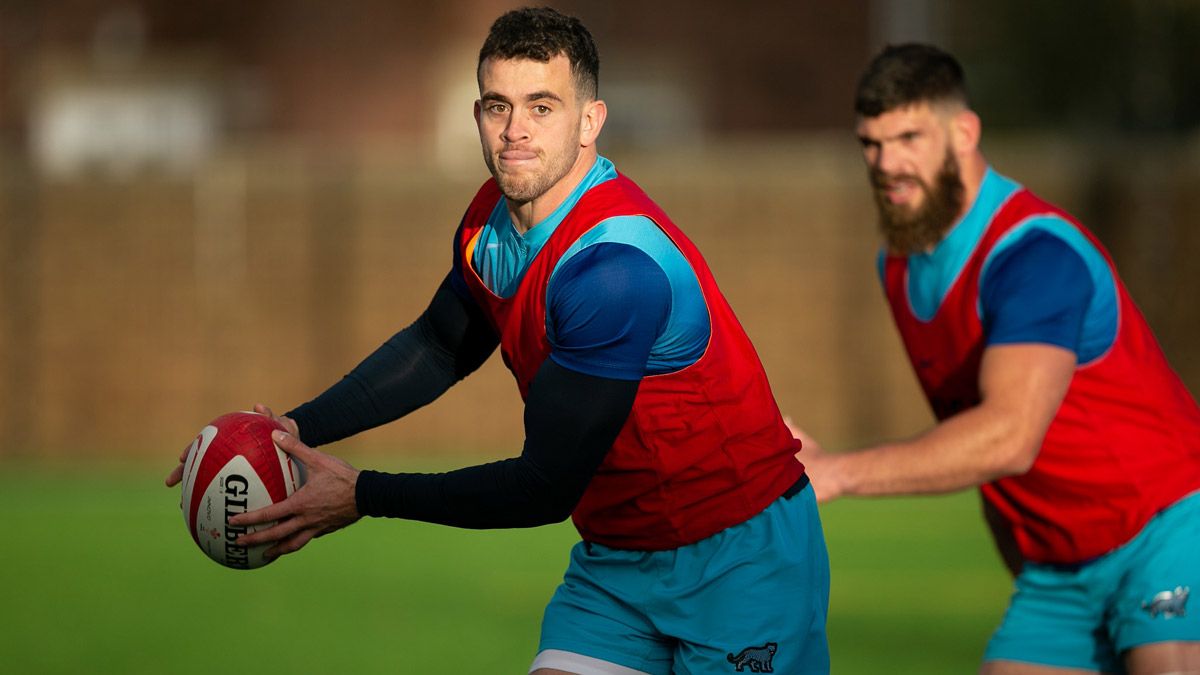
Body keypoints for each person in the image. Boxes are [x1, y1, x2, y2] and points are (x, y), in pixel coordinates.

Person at [166, 7, 829, 674]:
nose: (515, 130)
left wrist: (364, 494)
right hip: (618, 563)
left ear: (590, 121)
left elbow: (544, 487)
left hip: (741, 561)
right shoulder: (489, 224)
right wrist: (291, 430)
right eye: (496, 105)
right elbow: (436, 346)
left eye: (542, 106)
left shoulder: (613, 271)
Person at [796, 42, 1200, 674]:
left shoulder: (1033, 256)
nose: (887, 164)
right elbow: (972, 424)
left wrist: (838, 472)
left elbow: (1009, 437)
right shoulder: (899, 267)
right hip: (1058, 574)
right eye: (870, 144)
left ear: (964, 132)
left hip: (1168, 528)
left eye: (909, 137)